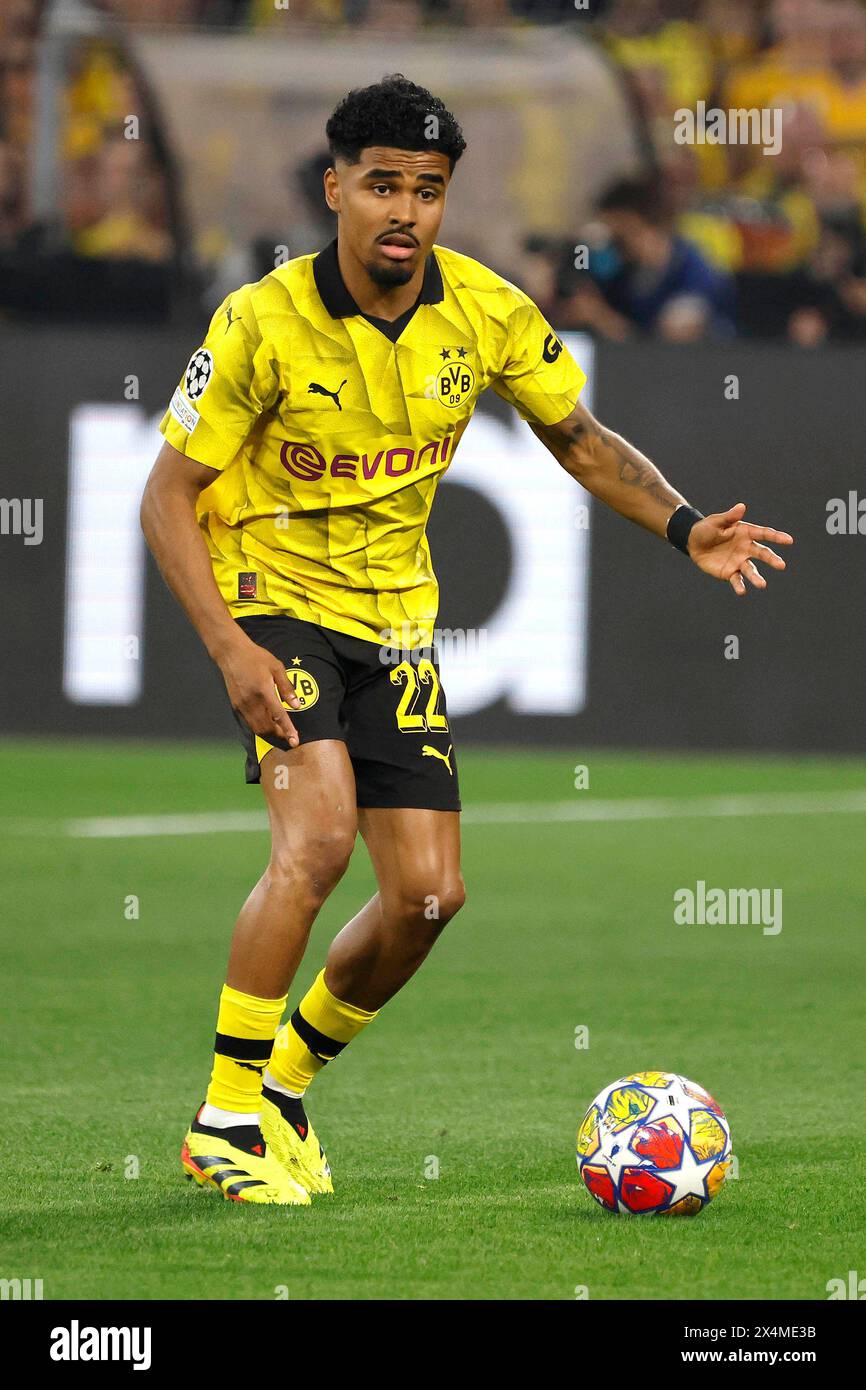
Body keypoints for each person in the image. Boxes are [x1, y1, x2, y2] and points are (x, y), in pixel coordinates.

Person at [140, 73, 793, 1207]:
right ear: (335, 187)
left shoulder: (484, 312)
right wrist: (230, 649)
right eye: (381, 185)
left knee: (430, 898)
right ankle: (221, 1117)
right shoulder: (257, 322)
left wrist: (684, 527)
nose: (404, 210)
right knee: (317, 840)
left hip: (396, 626)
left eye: (427, 190)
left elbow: (579, 438)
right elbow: (165, 495)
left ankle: (287, 1081)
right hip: (274, 598)